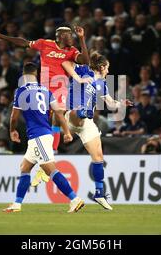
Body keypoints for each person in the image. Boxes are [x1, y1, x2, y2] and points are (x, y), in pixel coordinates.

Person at [0, 25, 90, 153]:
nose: (72, 38)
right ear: (61, 37)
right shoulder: (44, 44)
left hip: (60, 89)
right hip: (44, 89)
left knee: (57, 116)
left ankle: (53, 151)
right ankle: (41, 149)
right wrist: (1, 36)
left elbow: (86, 61)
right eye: (70, 35)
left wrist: (82, 39)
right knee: (42, 120)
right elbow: (24, 43)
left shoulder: (72, 51)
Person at [3, 62, 84, 213]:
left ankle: (75, 199)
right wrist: (66, 131)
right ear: (36, 75)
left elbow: (14, 117)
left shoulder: (21, 91)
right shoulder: (45, 90)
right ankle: (17, 204)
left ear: (23, 75)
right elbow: (59, 113)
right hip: (42, 135)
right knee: (25, 167)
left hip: (39, 136)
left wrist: (12, 131)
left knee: (50, 170)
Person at [57, 52, 132, 210]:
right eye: (108, 68)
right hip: (70, 116)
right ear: (102, 67)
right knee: (78, 111)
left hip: (86, 122)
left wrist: (122, 103)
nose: (108, 72)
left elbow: (110, 104)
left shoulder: (102, 84)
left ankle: (99, 193)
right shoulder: (84, 70)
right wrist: (77, 77)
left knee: (98, 157)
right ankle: (82, 112)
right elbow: (66, 64)